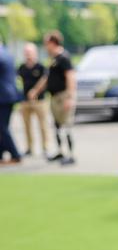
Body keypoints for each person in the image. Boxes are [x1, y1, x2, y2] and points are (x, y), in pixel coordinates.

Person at [29, 30, 76, 165]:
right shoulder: (53, 59)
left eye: (47, 43)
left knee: (66, 125)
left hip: (63, 96)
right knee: (57, 125)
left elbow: (71, 77)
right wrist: (36, 91)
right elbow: (46, 78)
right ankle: (61, 151)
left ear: (53, 43)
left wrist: (70, 97)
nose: (45, 46)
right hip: (54, 96)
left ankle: (70, 154)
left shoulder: (64, 58)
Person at [17, 43, 49, 157]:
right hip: (25, 101)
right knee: (27, 126)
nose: (28, 55)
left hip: (39, 100)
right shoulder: (22, 68)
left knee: (43, 125)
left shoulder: (40, 67)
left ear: (35, 53)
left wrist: (35, 91)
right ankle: (29, 147)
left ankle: (45, 147)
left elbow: (45, 80)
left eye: (30, 52)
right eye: (26, 52)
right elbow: (18, 82)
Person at [0, 38, 21, 164]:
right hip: (8, 95)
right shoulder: (7, 53)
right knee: (3, 127)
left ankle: (15, 154)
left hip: (3, 96)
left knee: (3, 127)